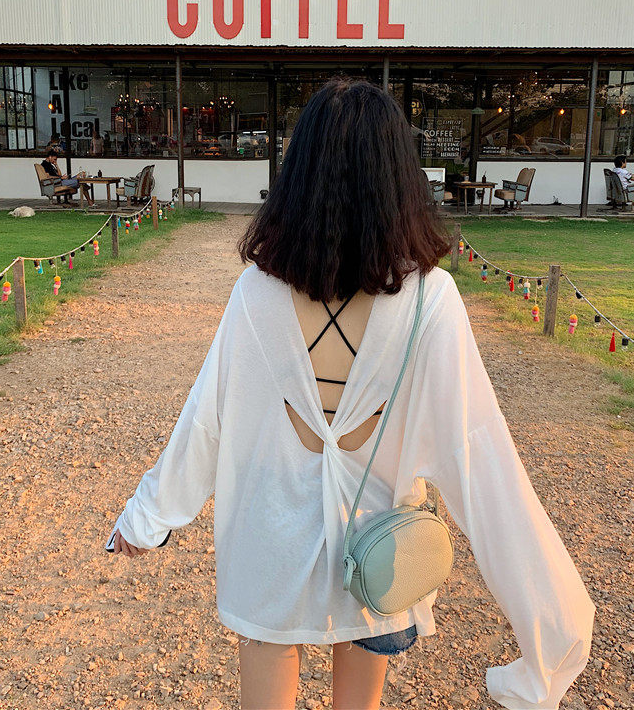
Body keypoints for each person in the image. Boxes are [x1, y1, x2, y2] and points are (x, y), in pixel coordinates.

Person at [106, 79, 596, 710]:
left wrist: (146, 517)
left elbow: (207, 423)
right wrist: (549, 631)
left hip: (269, 542)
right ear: (398, 176)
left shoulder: (257, 295)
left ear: (298, 174)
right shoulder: (430, 300)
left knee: (268, 651)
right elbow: (482, 457)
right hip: (381, 548)